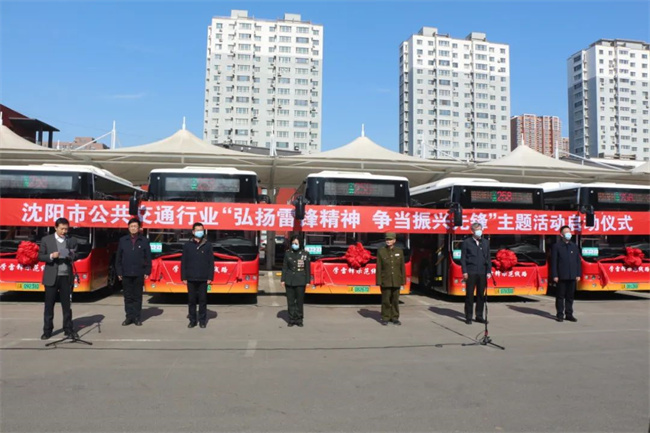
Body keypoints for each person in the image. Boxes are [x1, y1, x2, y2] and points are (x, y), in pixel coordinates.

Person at [38, 218, 78, 340]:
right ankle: (47, 330)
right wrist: (51, 256)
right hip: (52, 277)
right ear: (55, 228)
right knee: (49, 305)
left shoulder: (71, 240)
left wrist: (70, 255)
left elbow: (76, 255)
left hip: (66, 277)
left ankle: (68, 328)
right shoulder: (46, 240)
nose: (64, 231)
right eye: (62, 229)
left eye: (66, 229)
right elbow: (40, 256)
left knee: (66, 305)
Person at [116, 218, 152, 326]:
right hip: (126, 272)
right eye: (131, 226)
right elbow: (118, 257)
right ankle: (129, 317)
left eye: (135, 226)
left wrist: (147, 271)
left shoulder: (144, 241)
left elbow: (148, 257)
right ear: (128, 228)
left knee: (137, 296)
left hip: (138, 273)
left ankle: (137, 317)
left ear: (139, 228)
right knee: (128, 297)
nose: (133, 228)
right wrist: (119, 271)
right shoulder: (123, 240)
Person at [181, 222, 214, 328]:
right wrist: (183, 277)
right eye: (198, 230)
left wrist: (210, 277)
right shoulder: (187, 245)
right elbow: (184, 262)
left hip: (203, 278)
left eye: (201, 230)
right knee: (191, 300)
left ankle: (202, 320)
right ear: (193, 232)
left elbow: (211, 262)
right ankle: (192, 320)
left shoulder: (207, 245)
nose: (200, 232)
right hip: (190, 277)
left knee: (202, 300)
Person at [460, 223, 491, 325]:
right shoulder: (467, 242)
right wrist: (464, 271)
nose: (479, 231)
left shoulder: (485, 242)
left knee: (481, 295)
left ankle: (479, 316)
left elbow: (488, 258)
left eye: (480, 229)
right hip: (471, 271)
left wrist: (489, 271)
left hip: (482, 272)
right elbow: (463, 258)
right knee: (469, 295)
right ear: (472, 231)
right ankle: (468, 316)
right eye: (477, 230)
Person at [550, 225, 581, 322]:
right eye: (566, 232)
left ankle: (569, 314)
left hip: (572, 275)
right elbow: (554, 262)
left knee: (570, 296)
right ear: (561, 235)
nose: (569, 234)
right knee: (560, 296)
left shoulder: (574, 246)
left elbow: (577, 261)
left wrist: (578, 274)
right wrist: (555, 275)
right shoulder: (557, 246)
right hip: (561, 276)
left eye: (569, 232)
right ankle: (560, 314)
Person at [376, 232, 406, 326]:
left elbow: (402, 267)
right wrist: (379, 281)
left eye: (390, 239)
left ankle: (395, 318)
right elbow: (379, 267)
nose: (388, 241)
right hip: (386, 280)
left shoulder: (399, 251)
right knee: (386, 300)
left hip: (396, 280)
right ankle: (385, 317)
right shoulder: (381, 251)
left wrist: (403, 280)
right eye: (387, 239)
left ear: (394, 240)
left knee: (395, 300)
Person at [281, 235, 311, 327]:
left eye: (296, 243)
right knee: (290, 302)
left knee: (299, 302)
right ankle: (291, 319)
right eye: (293, 243)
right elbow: (285, 267)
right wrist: (283, 279)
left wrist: (308, 281)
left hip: (301, 280)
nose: (294, 245)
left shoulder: (305, 254)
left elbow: (307, 268)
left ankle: (299, 319)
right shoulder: (288, 253)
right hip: (289, 280)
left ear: (300, 244)